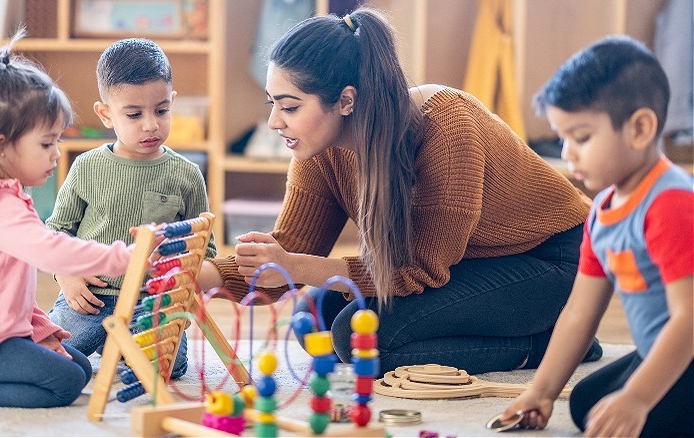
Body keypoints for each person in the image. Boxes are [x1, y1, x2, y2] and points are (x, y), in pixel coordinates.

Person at [198, 8, 601, 375]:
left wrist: (296, 266)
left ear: (345, 101)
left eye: (289, 107)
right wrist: (203, 276)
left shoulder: (447, 130)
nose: (273, 122)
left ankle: (549, 344)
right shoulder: (320, 149)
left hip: (556, 261)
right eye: (272, 104)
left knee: (361, 341)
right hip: (468, 261)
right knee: (314, 320)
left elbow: (419, 270)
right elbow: (289, 249)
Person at [0, 31, 139, 408]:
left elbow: (6, 288)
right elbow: (52, 252)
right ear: (0, 147)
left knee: (81, 368)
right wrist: (123, 258)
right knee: (65, 384)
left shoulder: (9, 193)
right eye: (46, 144)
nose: (55, 155)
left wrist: (41, 329)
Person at [501, 36, 693, 437]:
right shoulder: (602, 211)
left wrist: (638, 398)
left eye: (582, 138)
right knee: (590, 405)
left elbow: (690, 318)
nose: (568, 153)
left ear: (640, 128)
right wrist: (541, 391)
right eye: (563, 137)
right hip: (662, 350)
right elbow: (579, 312)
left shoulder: (670, 203)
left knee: (638, 416)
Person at [46, 38, 216, 380]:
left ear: (173, 103)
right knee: (48, 355)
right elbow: (55, 232)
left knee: (167, 368)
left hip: (151, 304)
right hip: (90, 298)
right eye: (134, 114)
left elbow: (205, 249)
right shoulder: (86, 167)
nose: (151, 124)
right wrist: (66, 275)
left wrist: (176, 289)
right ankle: (111, 341)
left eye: (162, 110)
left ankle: (119, 345)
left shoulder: (187, 174)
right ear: (106, 114)